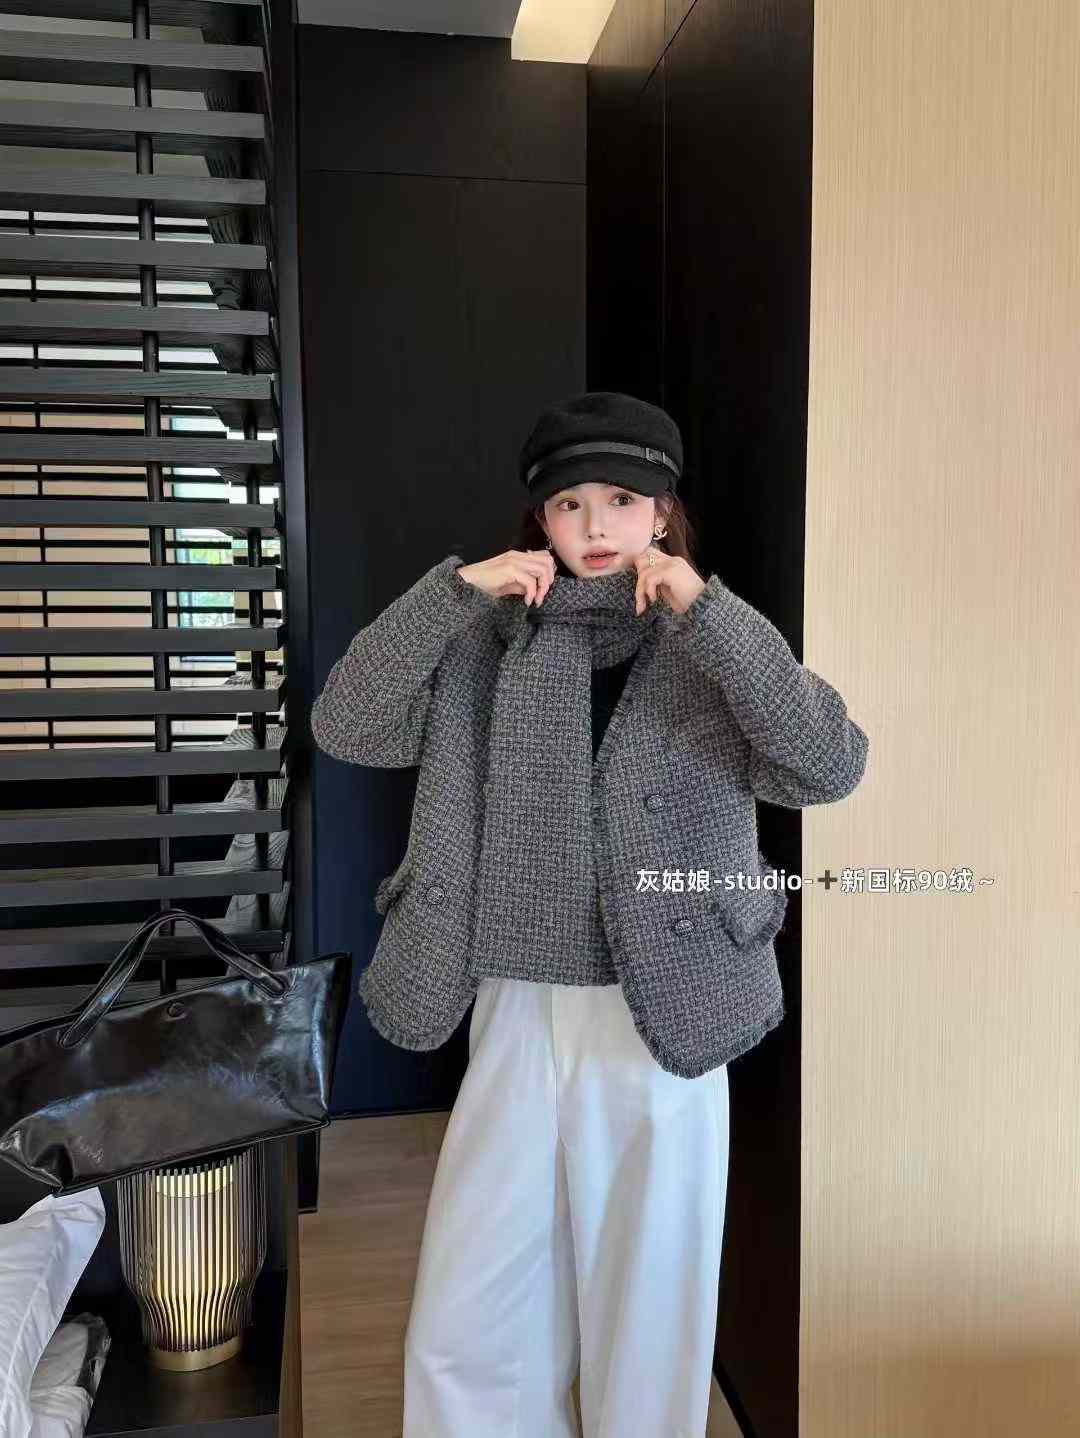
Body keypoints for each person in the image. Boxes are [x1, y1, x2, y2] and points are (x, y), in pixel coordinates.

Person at [310, 391, 869, 1437]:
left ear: (662, 510)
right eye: (569, 503)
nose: (596, 525)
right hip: (517, 1001)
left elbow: (829, 763)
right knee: (472, 1308)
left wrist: (711, 614)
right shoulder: (489, 639)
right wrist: (452, 593)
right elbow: (347, 721)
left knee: (651, 1299)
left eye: (620, 498)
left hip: (667, 1008)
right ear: (541, 520)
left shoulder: (707, 644)